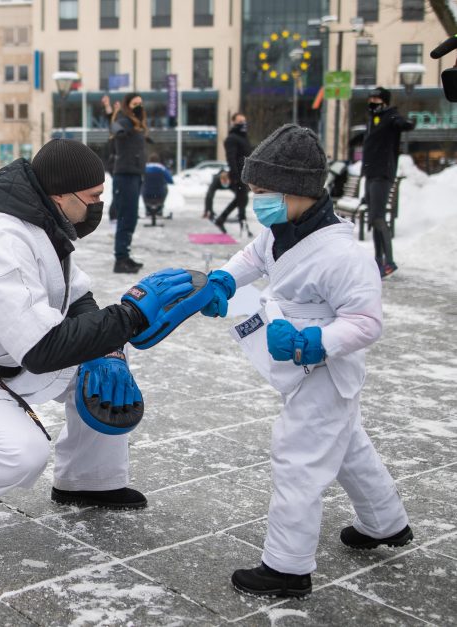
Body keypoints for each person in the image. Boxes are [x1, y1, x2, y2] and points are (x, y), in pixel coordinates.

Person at [0, 139, 201, 565]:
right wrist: (130, 316)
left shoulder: (40, 224)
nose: (98, 205)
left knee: (104, 374)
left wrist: (108, 349)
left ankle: (88, 479)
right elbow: (42, 348)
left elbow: (78, 298)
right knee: (22, 450)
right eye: (93, 197)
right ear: (61, 194)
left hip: (8, 361)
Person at [200, 124, 411, 599]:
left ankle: (287, 566)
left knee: (298, 458)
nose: (256, 202)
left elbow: (365, 322)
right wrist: (222, 282)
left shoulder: (342, 255)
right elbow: (251, 258)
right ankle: (386, 523)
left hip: (325, 372)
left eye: (262, 192)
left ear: (297, 191)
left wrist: (314, 340)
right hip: (302, 371)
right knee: (347, 446)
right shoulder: (280, 233)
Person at [362, 86, 415, 278]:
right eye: (371, 99)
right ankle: (378, 260)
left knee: (378, 218)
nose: (372, 103)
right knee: (374, 218)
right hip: (370, 174)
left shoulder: (391, 117)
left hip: (382, 174)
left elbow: (403, 123)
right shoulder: (372, 120)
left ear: (384, 102)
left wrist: (407, 123)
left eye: (376, 100)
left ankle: (389, 262)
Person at [110, 93, 148, 273]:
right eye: (135, 104)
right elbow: (116, 128)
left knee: (131, 218)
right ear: (127, 106)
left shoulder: (137, 125)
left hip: (134, 174)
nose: (139, 106)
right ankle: (120, 260)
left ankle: (125, 255)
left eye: (140, 103)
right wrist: (119, 128)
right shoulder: (124, 120)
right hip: (124, 175)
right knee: (125, 217)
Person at [215, 113, 252, 236]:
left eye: (244, 121)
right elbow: (231, 158)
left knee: (241, 199)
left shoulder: (244, 137)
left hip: (245, 174)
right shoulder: (232, 139)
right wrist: (236, 176)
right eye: (240, 121)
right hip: (239, 175)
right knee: (242, 199)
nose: (243, 123)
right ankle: (243, 227)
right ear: (234, 123)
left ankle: (222, 219)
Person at [141, 153, 174, 219]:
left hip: (147, 193)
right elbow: (170, 181)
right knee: (165, 188)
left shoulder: (144, 168)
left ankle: (147, 209)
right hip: (160, 192)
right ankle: (160, 209)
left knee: (142, 187)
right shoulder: (162, 168)